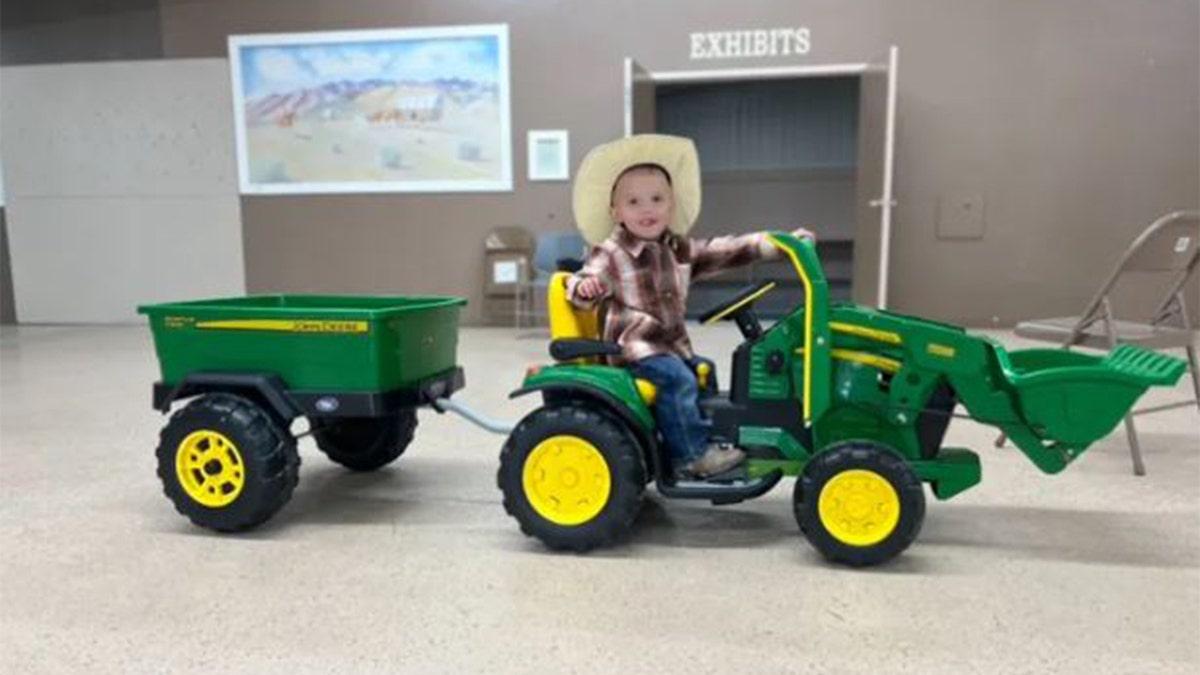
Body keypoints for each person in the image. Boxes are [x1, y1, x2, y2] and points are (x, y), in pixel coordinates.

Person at [566, 134, 814, 477]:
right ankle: (692, 457)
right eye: (634, 201)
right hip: (636, 350)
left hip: (671, 347)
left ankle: (704, 438)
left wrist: (780, 244)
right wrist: (585, 287)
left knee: (704, 371)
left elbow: (726, 249)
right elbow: (580, 282)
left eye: (656, 199)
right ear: (616, 211)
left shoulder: (677, 250)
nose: (647, 209)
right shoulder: (609, 253)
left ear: (671, 205)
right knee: (679, 381)